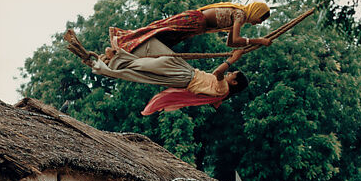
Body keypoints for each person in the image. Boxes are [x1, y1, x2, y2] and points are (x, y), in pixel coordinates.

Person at [91, 40, 249, 114]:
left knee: (149, 68)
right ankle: (120, 55)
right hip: (186, 70)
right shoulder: (222, 91)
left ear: (234, 82)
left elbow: (217, 73)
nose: (229, 73)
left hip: (184, 78)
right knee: (156, 54)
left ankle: (115, 62)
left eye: (232, 74)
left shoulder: (224, 89)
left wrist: (232, 60)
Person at [106, 1, 271, 54]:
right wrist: (259, 41)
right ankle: (121, 40)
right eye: (261, 18)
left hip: (195, 26)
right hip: (194, 21)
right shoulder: (240, 14)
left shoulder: (238, 16)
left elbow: (231, 43)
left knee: (161, 41)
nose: (259, 22)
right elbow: (236, 39)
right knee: (158, 31)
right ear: (257, 11)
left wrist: (250, 43)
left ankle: (124, 50)